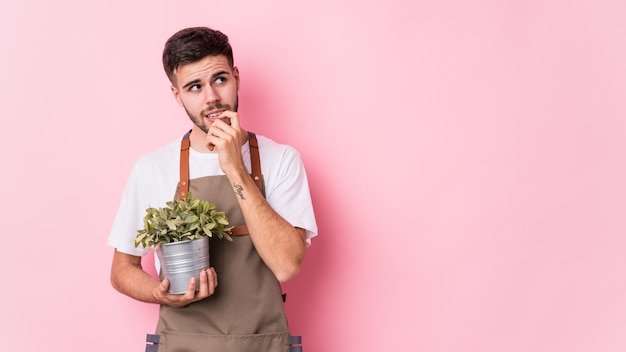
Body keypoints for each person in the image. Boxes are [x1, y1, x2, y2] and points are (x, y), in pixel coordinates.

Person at [107, 27, 317, 352]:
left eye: (220, 79)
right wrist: (158, 293)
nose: (212, 97)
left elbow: (287, 265)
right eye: (194, 87)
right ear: (177, 95)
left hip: (261, 343)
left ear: (236, 77)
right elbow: (122, 269)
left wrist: (234, 167)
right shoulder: (151, 168)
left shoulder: (282, 161)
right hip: (182, 343)